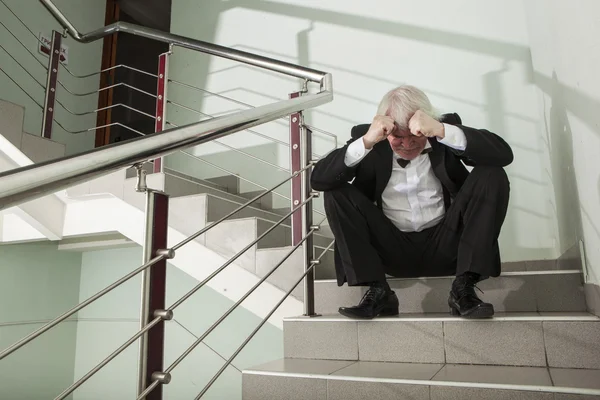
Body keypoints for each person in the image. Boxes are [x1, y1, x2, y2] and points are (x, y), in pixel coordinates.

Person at [311, 85, 512, 319]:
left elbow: (503, 155)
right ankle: (378, 290)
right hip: (391, 248)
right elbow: (319, 180)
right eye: (398, 137)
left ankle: (464, 288)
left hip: (449, 244)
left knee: (492, 174)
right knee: (336, 193)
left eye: (414, 135)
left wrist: (440, 129)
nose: (407, 145)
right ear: (385, 130)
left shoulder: (440, 130)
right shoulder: (368, 138)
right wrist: (367, 141)